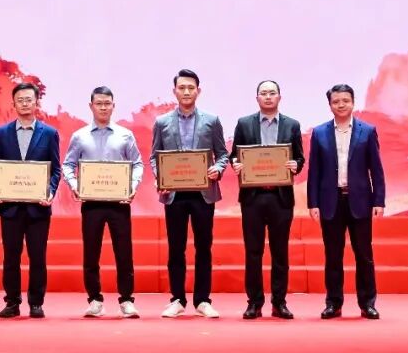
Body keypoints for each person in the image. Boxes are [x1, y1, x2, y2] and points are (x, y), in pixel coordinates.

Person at [149, 69, 229, 319]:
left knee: (204, 247)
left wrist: (217, 169)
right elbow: (154, 157)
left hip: (203, 192)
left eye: (190, 88)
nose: (186, 92)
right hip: (174, 193)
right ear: (174, 91)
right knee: (176, 248)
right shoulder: (162, 122)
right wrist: (160, 177)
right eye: (181, 88)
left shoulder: (211, 120)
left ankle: (203, 300)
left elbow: (222, 154)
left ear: (198, 91)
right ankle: (177, 299)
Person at [62, 86, 143, 319]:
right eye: (99, 103)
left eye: (107, 103)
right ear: (91, 106)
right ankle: (95, 300)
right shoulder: (80, 136)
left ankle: (126, 300)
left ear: (113, 106)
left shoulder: (125, 135)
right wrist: (75, 185)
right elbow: (68, 164)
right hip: (91, 203)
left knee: (124, 252)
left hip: (119, 202)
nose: (103, 107)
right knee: (91, 253)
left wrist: (132, 185)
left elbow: (137, 163)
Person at [307, 83, 385, 320]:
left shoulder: (367, 131)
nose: (341, 105)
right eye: (336, 101)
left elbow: (376, 169)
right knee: (333, 256)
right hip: (330, 202)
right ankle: (333, 303)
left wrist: (379, 200)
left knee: (364, 255)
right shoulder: (319, 133)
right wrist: (313, 203)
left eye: (345, 101)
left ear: (353, 102)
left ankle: (367, 303)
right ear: (330, 105)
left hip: (360, 201)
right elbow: (314, 171)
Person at [229, 80, 304, 320]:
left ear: (279, 97)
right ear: (257, 98)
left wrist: (296, 165)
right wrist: (236, 164)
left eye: (272, 93)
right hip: (253, 197)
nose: (268, 97)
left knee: (280, 253)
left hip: (281, 198)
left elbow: (300, 158)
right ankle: (254, 302)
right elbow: (234, 156)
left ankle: (279, 303)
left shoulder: (292, 125)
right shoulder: (244, 123)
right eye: (264, 93)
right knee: (253, 252)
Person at [0, 82, 61, 319]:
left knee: (37, 257)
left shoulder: (49, 133)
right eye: (20, 100)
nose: (25, 104)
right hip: (10, 208)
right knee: (11, 257)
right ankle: (12, 302)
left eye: (29, 99)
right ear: (14, 104)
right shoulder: (2, 133)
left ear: (36, 102)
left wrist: (50, 191)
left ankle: (36, 302)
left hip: (38, 208)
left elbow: (56, 169)